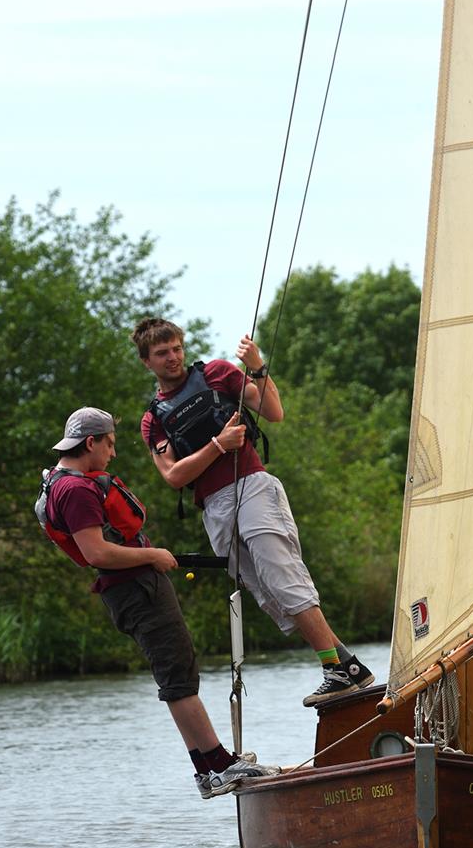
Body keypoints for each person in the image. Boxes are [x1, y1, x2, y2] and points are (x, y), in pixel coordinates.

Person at [131, 317, 375, 707]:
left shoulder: (217, 374)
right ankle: (348, 665)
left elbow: (273, 412)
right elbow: (175, 475)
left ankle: (334, 670)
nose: (173, 358)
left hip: (252, 485)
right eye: (162, 353)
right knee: (270, 598)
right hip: (214, 508)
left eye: (177, 348)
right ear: (147, 361)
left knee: (284, 579)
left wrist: (258, 366)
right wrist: (218, 444)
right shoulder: (153, 419)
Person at [36, 406, 275, 799]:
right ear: (91, 442)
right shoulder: (75, 490)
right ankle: (217, 767)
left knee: (178, 673)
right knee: (178, 677)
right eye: (109, 444)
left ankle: (213, 765)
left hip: (132, 590)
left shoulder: (61, 482)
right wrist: (153, 555)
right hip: (136, 590)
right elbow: (97, 553)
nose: (112, 454)